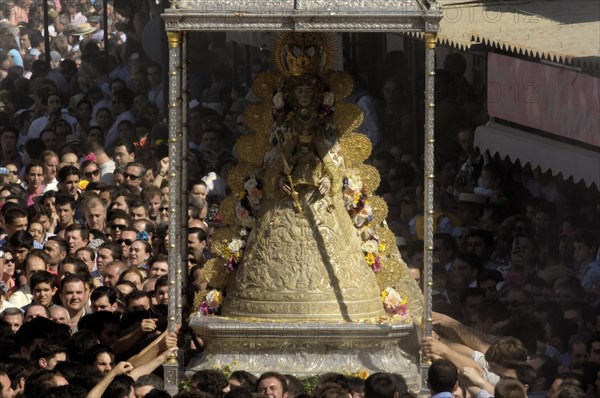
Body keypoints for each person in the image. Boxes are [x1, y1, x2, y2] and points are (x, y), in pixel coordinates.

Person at [220, 32, 422, 321]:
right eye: (299, 92)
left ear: (317, 96)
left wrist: (330, 177)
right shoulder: (285, 125)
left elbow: (334, 158)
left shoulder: (324, 126)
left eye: (309, 92)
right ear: (290, 95)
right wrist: (277, 178)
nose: (304, 97)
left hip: (322, 196)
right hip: (284, 197)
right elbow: (272, 159)